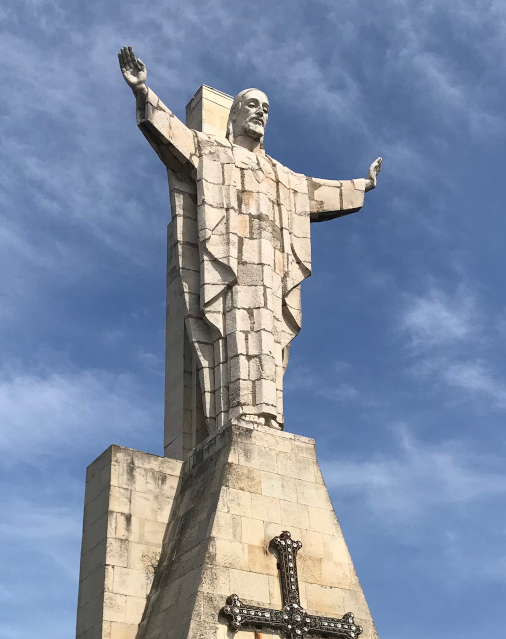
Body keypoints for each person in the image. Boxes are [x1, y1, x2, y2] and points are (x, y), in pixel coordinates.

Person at [119, 46, 382, 432]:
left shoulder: (282, 175)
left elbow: (318, 192)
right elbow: (174, 134)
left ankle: (270, 415)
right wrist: (143, 92)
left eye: (266, 109)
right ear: (236, 114)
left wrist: (362, 185)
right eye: (253, 105)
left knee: (271, 342)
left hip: (271, 277)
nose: (260, 112)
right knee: (235, 336)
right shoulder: (213, 151)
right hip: (231, 270)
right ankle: (238, 413)